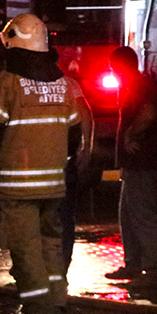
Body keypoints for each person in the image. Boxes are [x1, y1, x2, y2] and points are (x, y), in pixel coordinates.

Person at [0, 13, 82, 314]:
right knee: (50, 245)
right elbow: (74, 136)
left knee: (26, 250)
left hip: (19, 187)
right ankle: (58, 304)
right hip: (54, 185)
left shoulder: (5, 84)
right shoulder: (62, 86)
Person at [104, 46, 157, 291]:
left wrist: (131, 134)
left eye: (113, 68)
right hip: (134, 165)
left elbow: (149, 113)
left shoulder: (141, 85)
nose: (112, 72)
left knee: (143, 216)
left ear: (122, 66)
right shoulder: (134, 85)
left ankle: (151, 270)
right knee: (128, 215)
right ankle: (133, 264)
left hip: (143, 163)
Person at [60, 73, 93, 275]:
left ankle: (36, 270)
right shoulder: (69, 84)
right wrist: (86, 147)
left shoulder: (21, 83)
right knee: (65, 217)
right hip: (64, 160)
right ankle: (61, 267)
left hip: (33, 163)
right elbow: (85, 113)